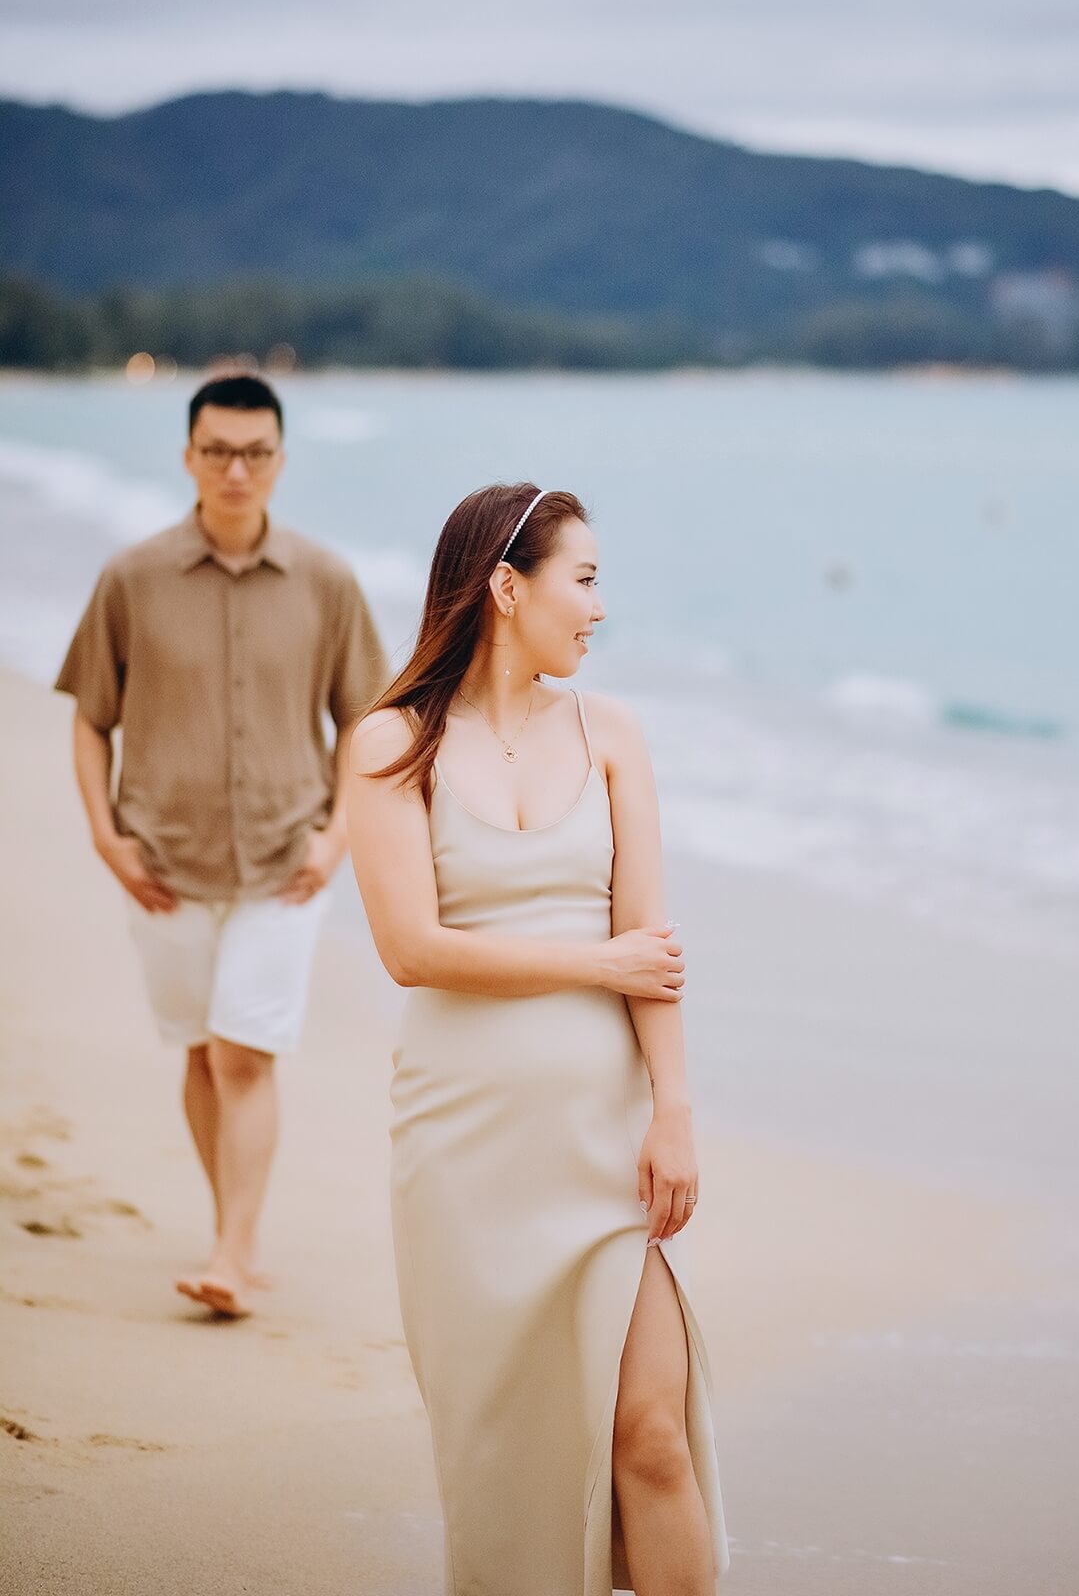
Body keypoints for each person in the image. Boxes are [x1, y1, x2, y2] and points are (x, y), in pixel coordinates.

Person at [347, 483, 729, 1595]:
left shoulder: (611, 734)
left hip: (604, 1142)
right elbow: (411, 948)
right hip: (465, 1150)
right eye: (587, 578)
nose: (600, 607)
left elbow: (646, 948)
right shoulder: (392, 741)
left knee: (650, 1433)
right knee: (504, 1453)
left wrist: (673, 1111)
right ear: (508, 588)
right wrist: (591, 962)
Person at [55, 372, 388, 1319]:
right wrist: (105, 836)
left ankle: (233, 1257)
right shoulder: (132, 576)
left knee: (245, 1052)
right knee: (203, 1052)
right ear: (189, 456)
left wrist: (338, 840)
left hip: (287, 864)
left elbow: (369, 723)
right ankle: (228, 1228)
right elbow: (90, 719)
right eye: (217, 451)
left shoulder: (327, 580)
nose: (236, 470)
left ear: (280, 461)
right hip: (161, 860)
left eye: (255, 453)